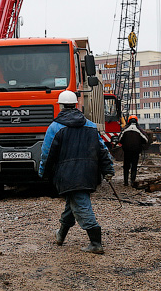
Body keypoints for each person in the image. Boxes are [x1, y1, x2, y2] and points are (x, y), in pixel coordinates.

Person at [39, 90, 115, 254]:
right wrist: (108, 169)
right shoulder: (90, 126)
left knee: (81, 205)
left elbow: (47, 153)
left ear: (60, 106)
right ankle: (61, 235)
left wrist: (43, 172)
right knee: (72, 204)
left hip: (68, 174)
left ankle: (96, 243)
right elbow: (102, 150)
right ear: (75, 105)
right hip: (88, 174)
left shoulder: (55, 127)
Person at [118, 115, 153, 187]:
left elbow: (119, 139)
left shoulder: (125, 129)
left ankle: (125, 182)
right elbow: (146, 140)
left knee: (126, 166)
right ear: (137, 121)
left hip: (127, 151)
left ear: (128, 121)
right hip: (136, 151)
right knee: (134, 166)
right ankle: (132, 181)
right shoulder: (139, 130)